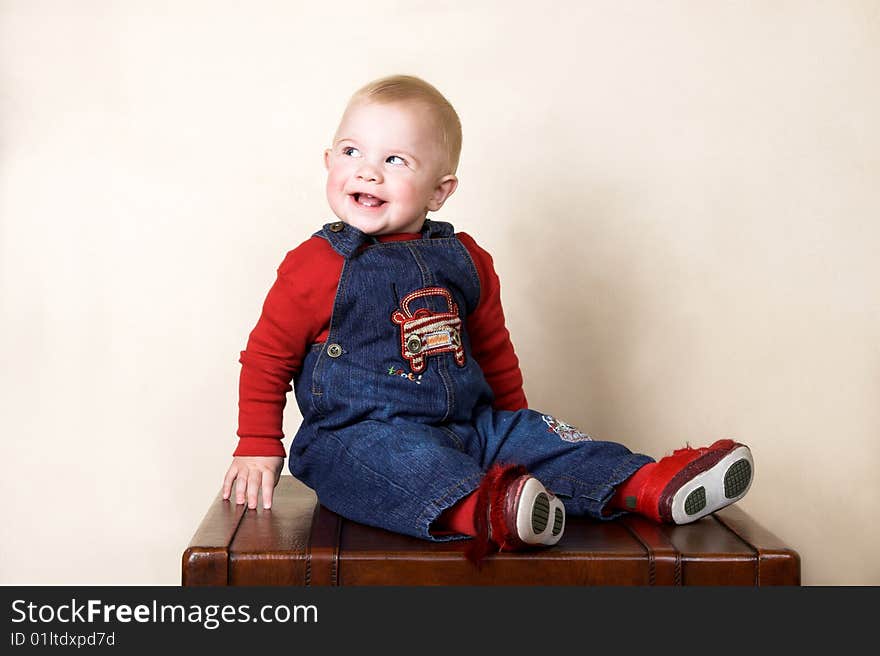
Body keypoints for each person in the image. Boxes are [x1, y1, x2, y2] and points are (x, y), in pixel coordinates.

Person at [221, 74, 753, 561]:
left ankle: (649, 486)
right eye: (351, 151)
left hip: (471, 426)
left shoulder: (465, 259)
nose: (366, 170)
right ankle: (485, 511)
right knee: (401, 465)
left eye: (395, 161)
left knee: (548, 441)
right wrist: (258, 444)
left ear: (440, 191)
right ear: (328, 160)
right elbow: (268, 357)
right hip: (358, 434)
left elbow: (493, 348)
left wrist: (519, 427)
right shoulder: (316, 265)